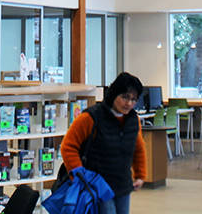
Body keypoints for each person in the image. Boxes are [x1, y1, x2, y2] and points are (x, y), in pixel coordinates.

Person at [60, 72, 147, 214]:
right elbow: (68, 146)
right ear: (114, 94)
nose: (129, 103)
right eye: (125, 97)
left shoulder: (133, 120)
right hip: (97, 186)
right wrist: (80, 175)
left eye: (133, 99)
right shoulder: (91, 117)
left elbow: (138, 148)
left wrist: (140, 175)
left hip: (122, 184)